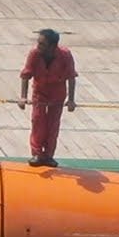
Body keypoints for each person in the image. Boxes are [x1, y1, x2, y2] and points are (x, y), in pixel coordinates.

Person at [19, 28, 77, 167]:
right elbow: (26, 75)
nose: (38, 46)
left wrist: (71, 100)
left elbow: (71, 77)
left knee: (53, 125)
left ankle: (49, 155)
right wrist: (23, 97)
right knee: (38, 121)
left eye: (42, 44)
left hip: (57, 94)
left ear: (52, 46)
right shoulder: (34, 54)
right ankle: (37, 154)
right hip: (40, 92)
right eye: (38, 43)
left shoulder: (65, 55)